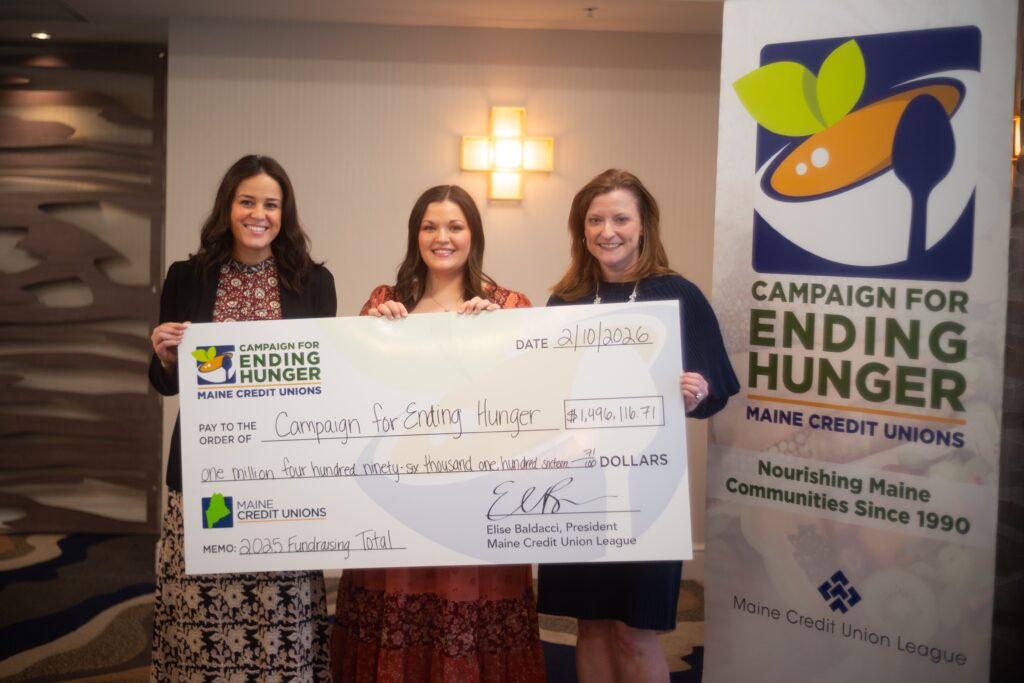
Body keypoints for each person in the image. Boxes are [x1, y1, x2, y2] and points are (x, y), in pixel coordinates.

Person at [329, 184, 545, 683]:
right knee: (396, 607)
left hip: (476, 504)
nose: (441, 237)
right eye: (430, 226)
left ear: (474, 235)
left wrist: (503, 340)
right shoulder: (384, 303)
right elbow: (353, 401)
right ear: (415, 235)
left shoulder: (510, 308)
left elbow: (533, 404)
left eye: (455, 226)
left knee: (468, 606)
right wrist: (372, 335)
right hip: (396, 501)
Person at [537, 168, 739, 682]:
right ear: (581, 231)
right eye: (595, 219)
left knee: (634, 632)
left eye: (621, 218)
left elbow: (713, 393)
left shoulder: (678, 295)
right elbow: (544, 393)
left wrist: (697, 395)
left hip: (649, 493)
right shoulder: (564, 301)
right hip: (578, 489)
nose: (609, 230)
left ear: (644, 225)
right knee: (591, 627)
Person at [148, 154, 336, 681]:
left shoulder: (314, 283)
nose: (259, 213)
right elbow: (167, 382)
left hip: (284, 481)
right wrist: (165, 358)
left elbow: (325, 384)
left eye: (271, 204)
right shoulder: (187, 278)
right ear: (228, 208)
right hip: (206, 477)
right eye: (247, 201)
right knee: (203, 610)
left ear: (285, 213)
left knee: (281, 614)